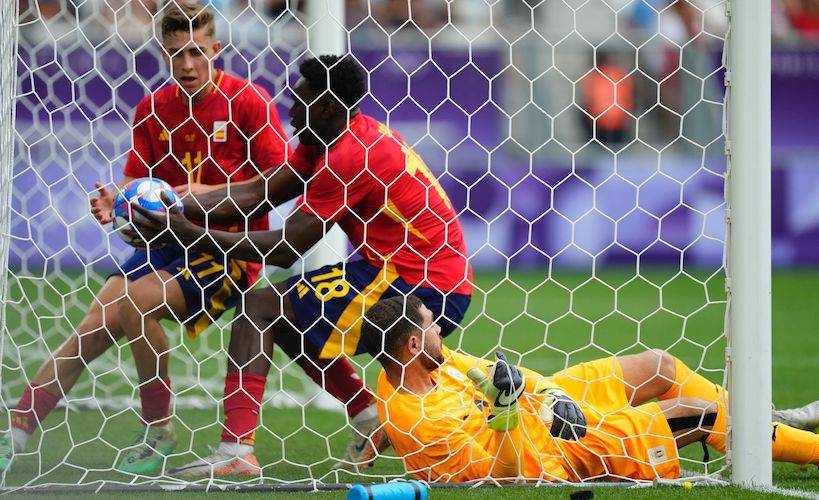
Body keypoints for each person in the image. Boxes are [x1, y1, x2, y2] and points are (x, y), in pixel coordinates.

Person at [131, 54, 474, 478]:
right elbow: (257, 193)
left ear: (328, 106)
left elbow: (285, 248)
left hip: (422, 288)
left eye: (300, 100)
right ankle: (368, 419)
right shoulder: (323, 142)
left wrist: (186, 232)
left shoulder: (351, 156)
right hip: (401, 272)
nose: (290, 111)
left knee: (260, 308)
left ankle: (235, 450)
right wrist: (175, 207)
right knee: (284, 312)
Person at [0, 1, 291, 475]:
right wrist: (115, 209)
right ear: (163, 53)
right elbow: (137, 197)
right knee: (92, 325)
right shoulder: (152, 109)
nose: (188, 64)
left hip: (228, 249)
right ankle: (15, 432)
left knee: (134, 302)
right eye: (176, 54)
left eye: (197, 51)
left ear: (216, 49)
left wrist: (206, 195)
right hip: (169, 244)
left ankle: (159, 429)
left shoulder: (248, 101)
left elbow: (280, 182)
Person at [360, 294, 819, 482]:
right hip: (551, 450)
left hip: (544, 404)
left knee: (658, 365)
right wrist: (507, 414)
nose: (443, 328)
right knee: (701, 413)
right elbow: (507, 477)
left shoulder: (405, 372)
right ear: (414, 343)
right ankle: (805, 445)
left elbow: (501, 375)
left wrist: (547, 394)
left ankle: (766, 422)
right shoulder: (429, 423)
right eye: (432, 327)